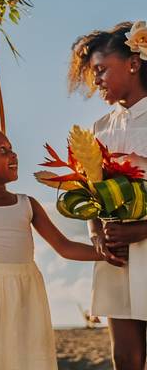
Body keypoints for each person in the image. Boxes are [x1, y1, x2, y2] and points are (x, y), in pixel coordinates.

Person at [0, 122, 100, 370]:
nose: (13, 154)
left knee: (29, 357)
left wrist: (104, 253)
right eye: (2, 151)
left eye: (11, 148)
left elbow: (64, 246)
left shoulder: (27, 204)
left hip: (27, 291)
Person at [70, 21, 147, 370]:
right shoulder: (99, 128)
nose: (96, 80)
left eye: (101, 70)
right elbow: (88, 188)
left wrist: (142, 230)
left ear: (133, 63)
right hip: (115, 254)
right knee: (126, 357)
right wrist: (96, 234)